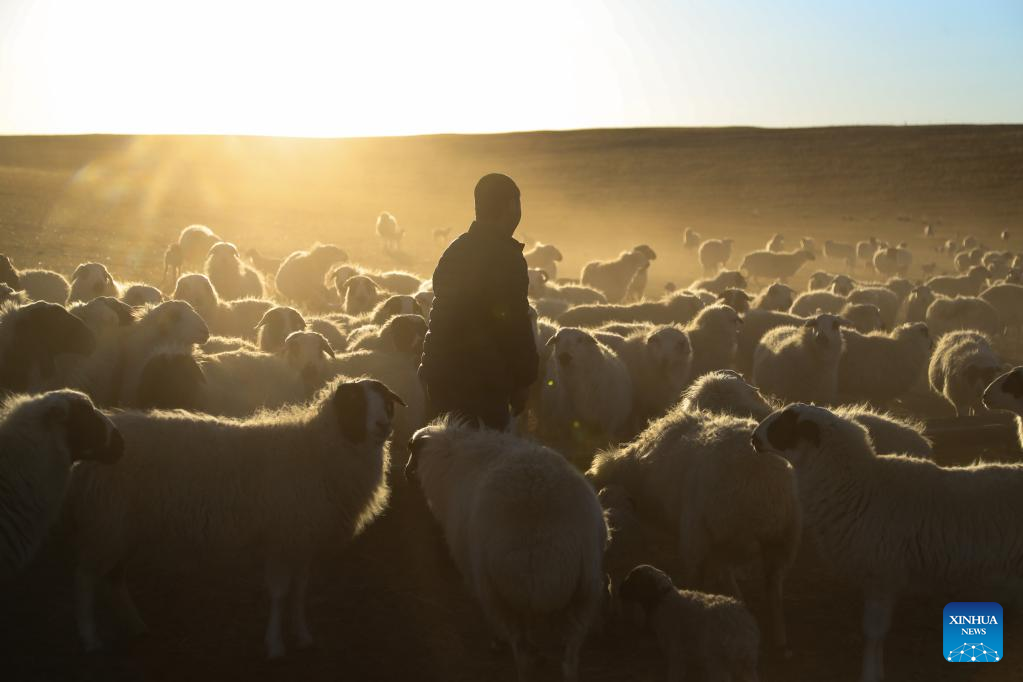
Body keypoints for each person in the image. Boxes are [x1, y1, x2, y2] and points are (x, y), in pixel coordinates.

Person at [419, 173, 539, 430]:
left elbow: (439, 315)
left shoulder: (455, 250)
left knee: (443, 457)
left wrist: (428, 369)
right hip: (484, 383)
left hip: (441, 376)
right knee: (481, 459)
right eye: (517, 204)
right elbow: (513, 324)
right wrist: (523, 381)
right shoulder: (506, 258)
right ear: (511, 206)